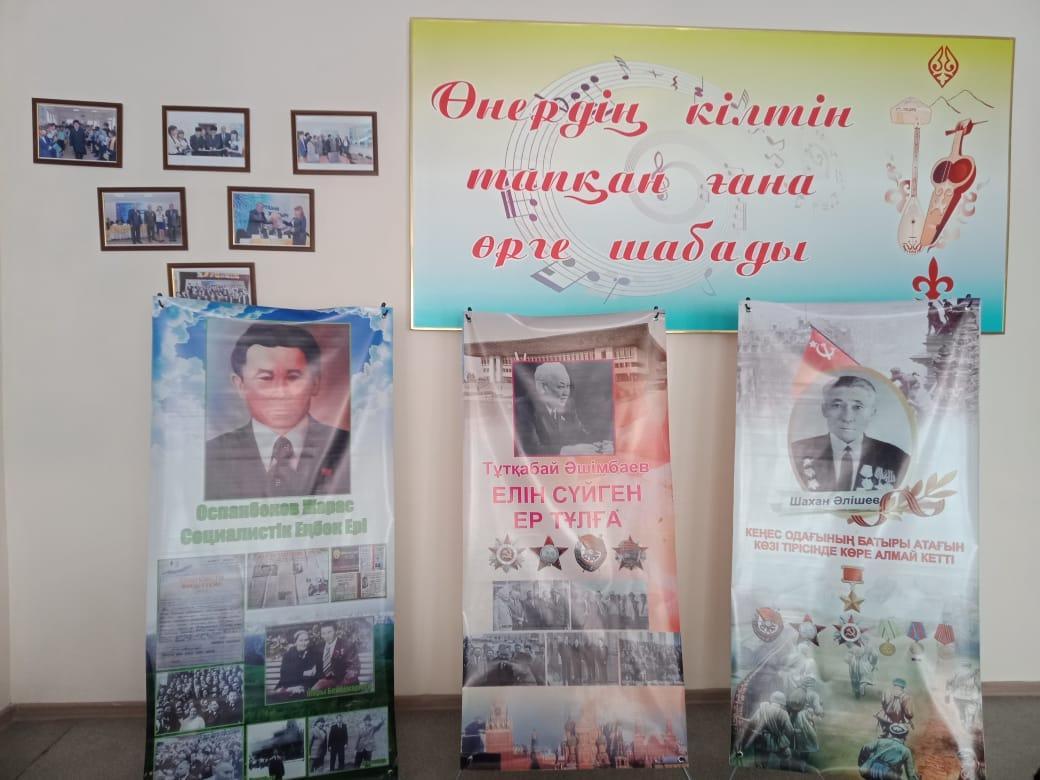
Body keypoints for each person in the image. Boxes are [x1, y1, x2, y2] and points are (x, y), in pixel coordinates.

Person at [205, 323, 351, 500]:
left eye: (293, 377)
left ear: (315, 383)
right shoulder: (210, 456)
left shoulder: (348, 446)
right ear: (240, 385)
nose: (280, 392)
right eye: (266, 378)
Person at [791, 375, 910, 491]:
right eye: (837, 405)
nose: (847, 418)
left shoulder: (897, 459)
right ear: (825, 409)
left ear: (872, 413)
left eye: (857, 407)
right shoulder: (796, 452)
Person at [515, 362, 611, 456]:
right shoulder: (523, 408)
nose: (566, 393)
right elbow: (530, 449)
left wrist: (601, 445)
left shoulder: (568, 405)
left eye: (567, 386)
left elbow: (580, 434)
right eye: (560, 387)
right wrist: (567, 451)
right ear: (543, 388)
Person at [312, 622, 361, 691]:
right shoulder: (319, 647)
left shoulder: (347, 645)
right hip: (325, 682)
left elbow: (353, 669)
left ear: (336, 631)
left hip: (344, 682)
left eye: (329, 632)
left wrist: (338, 689)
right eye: (323, 633)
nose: (326, 636)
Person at [274, 629, 320, 696]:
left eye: (306, 640)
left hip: (306, 686)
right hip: (288, 685)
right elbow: (285, 676)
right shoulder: (288, 655)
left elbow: (313, 675)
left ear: (309, 641)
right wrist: (304, 673)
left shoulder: (313, 654)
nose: (304, 643)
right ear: (295, 642)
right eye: (301, 640)